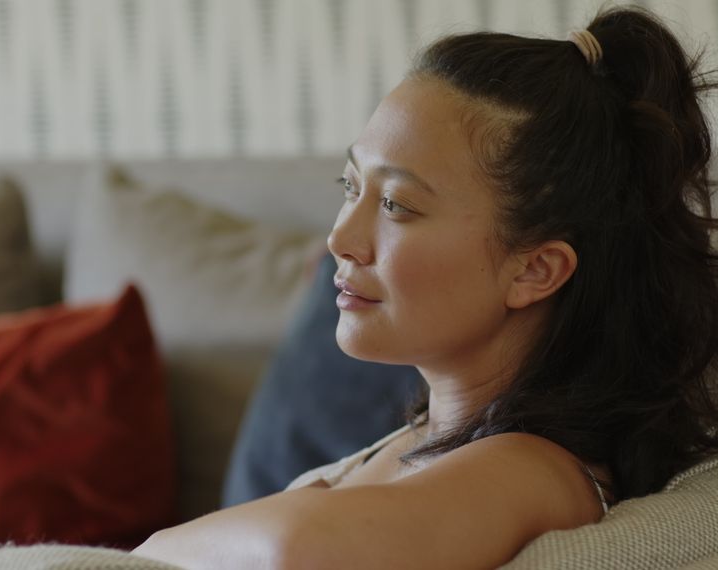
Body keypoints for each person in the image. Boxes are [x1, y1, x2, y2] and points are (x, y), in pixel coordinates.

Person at [131, 7, 718, 568]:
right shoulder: (429, 439)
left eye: (395, 204)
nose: (341, 239)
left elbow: (300, 553)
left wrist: (145, 550)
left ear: (535, 271)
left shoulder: (532, 469)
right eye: (350, 185)